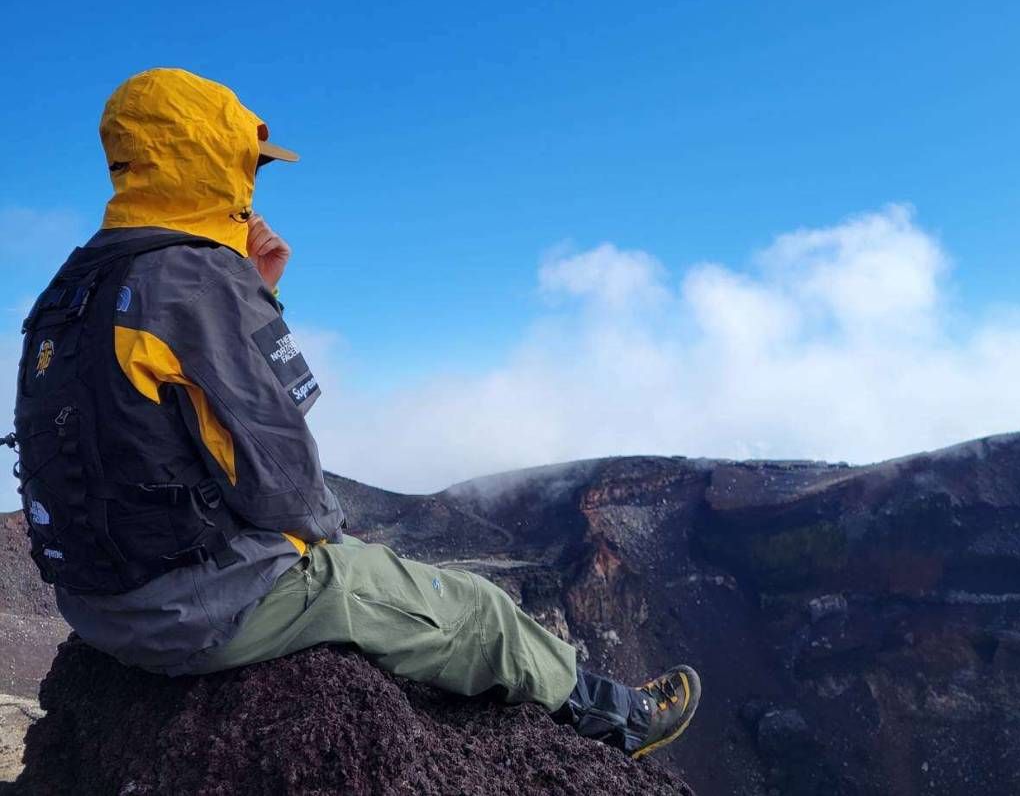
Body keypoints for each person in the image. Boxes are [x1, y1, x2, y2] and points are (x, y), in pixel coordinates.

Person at [10, 68, 700, 758]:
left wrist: (253, 290)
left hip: (97, 605)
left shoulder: (71, 287)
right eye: (250, 164)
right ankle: (621, 719)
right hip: (196, 610)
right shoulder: (196, 279)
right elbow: (284, 484)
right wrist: (333, 542)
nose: (253, 184)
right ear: (214, 159)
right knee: (480, 611)